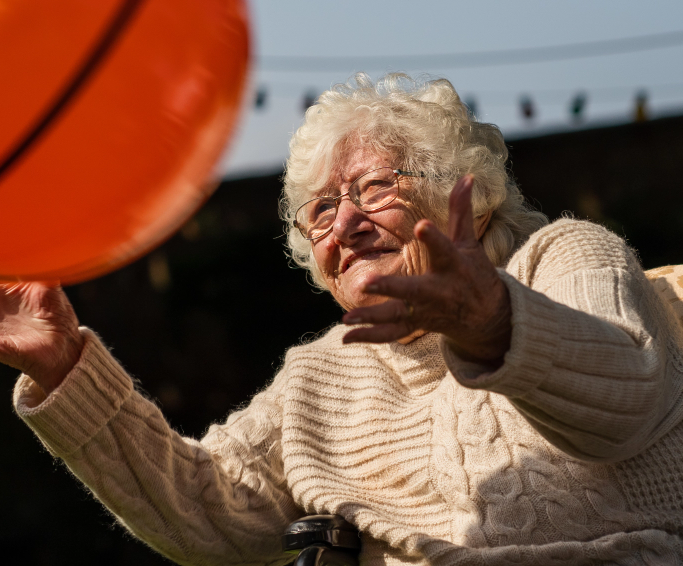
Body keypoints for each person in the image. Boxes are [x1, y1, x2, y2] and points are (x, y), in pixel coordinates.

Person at [3, 72, 683, 565]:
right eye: (321, 210)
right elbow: (209, 516)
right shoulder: (322, 370)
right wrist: (65, 366)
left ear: (462, 196)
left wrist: (490, 321)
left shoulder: (562, 257)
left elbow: (621, 403)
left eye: (374, 187)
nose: (346, 223)